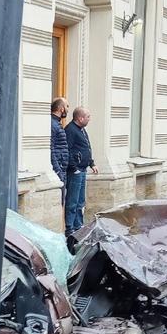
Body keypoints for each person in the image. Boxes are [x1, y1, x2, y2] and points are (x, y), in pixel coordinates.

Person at [63, 107, 96, 235]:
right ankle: (70, 228)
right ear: (80, 118)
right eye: (88, 116)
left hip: (82, 170)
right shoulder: (70, 130)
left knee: (80, 201)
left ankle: (78, 226)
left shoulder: (82, 130)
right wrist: (74, 168)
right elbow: (67, 151)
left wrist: (91, 163)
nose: (89, 119)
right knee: (72, 201)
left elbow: (86, 148)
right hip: (75, 172)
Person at [49, 98, 71, 232]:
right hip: (59, 171)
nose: (68, 109)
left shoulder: (57, 124)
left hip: (62, 169)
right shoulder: (53, 124)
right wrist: (57, 170)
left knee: (62, 202)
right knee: (59, 203)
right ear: (61, 108)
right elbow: (50, 148)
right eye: (67, 106)